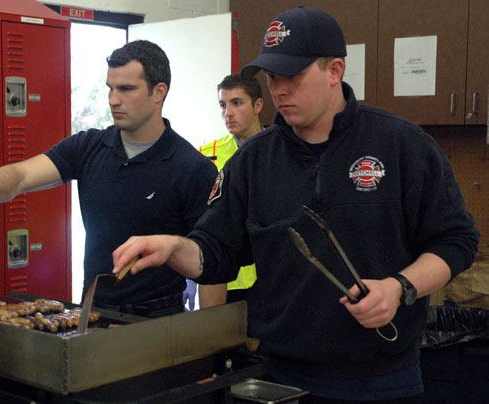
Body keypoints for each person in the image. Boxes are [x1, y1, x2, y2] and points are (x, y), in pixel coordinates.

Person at [112, 6, 479, 402]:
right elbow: (215, 252)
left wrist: (399, 287)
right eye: (272, 77)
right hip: (279, 378)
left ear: (335, 70)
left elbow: (456, 241)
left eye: (293, 75)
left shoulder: (401, 145)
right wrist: (173, 247)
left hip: (383, 380)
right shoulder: (253, 161)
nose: (279, 90)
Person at [0, 40, 217, 318]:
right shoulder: (88, 147)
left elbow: (212, 262)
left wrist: (210, 342)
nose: (113, 100)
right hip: (93, 314)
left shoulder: (192, 168)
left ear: (158, 92)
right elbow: (21, 176)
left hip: (157, 322)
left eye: (126, 89)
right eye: (110, 88)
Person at [194, 74, 264, 308]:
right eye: (223, 105)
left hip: (267, 274)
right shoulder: (207, 154)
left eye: (237, 103)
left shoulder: (280, 150)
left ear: (257, 105)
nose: (228, 113)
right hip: (222, 275)